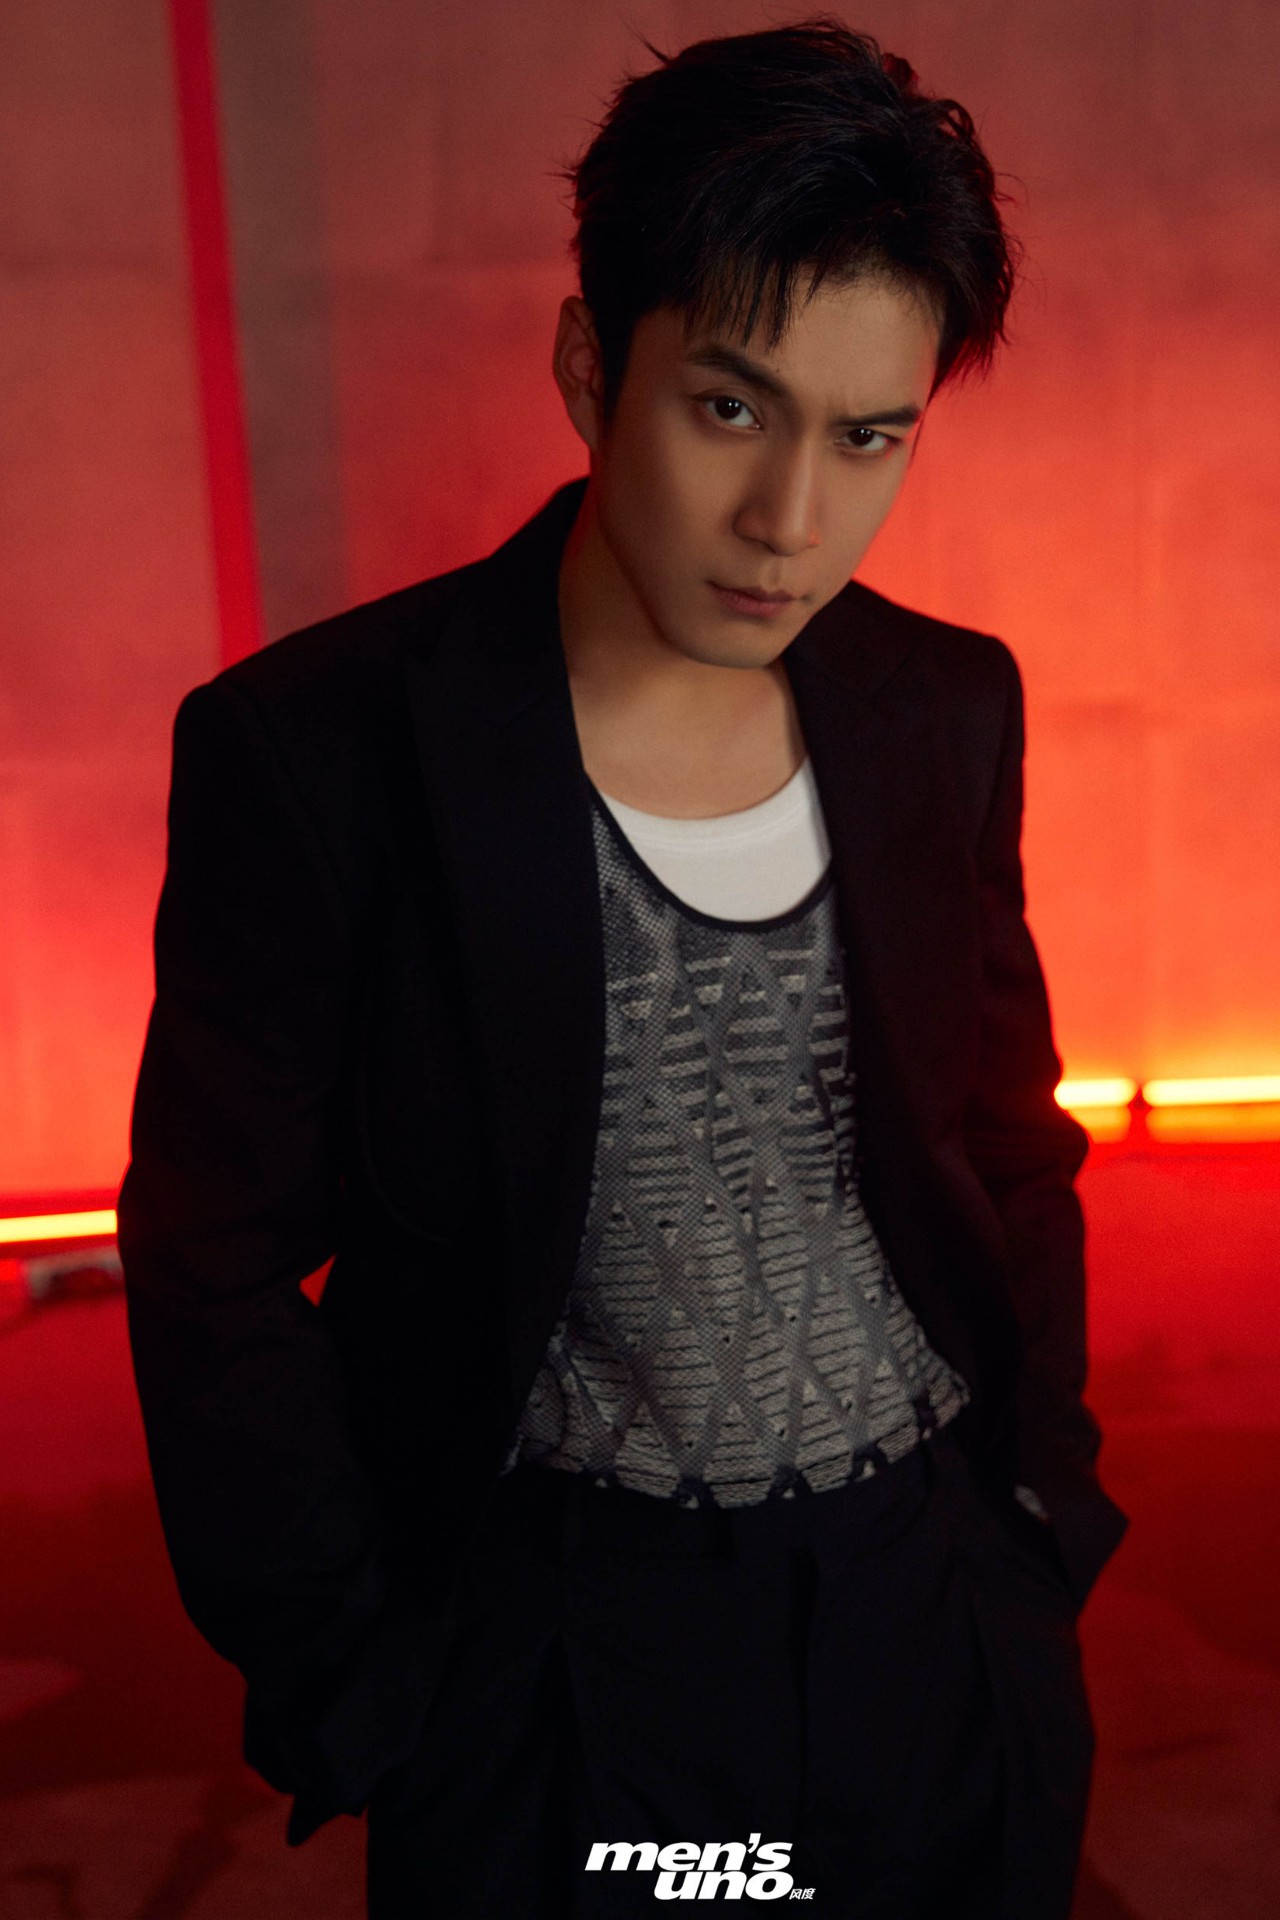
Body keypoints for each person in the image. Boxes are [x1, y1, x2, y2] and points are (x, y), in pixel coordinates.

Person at [117, 18, 1130, 1918]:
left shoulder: (941, 705)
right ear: (592, 367)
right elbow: (210, 1262)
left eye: (869, 436)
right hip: (578, 1667)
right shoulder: (320, 753)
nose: (792, 522)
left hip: (933, 1617)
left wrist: (1039, 1511)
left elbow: (1010, 1139)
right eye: (731, 409)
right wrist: (359, 1674)